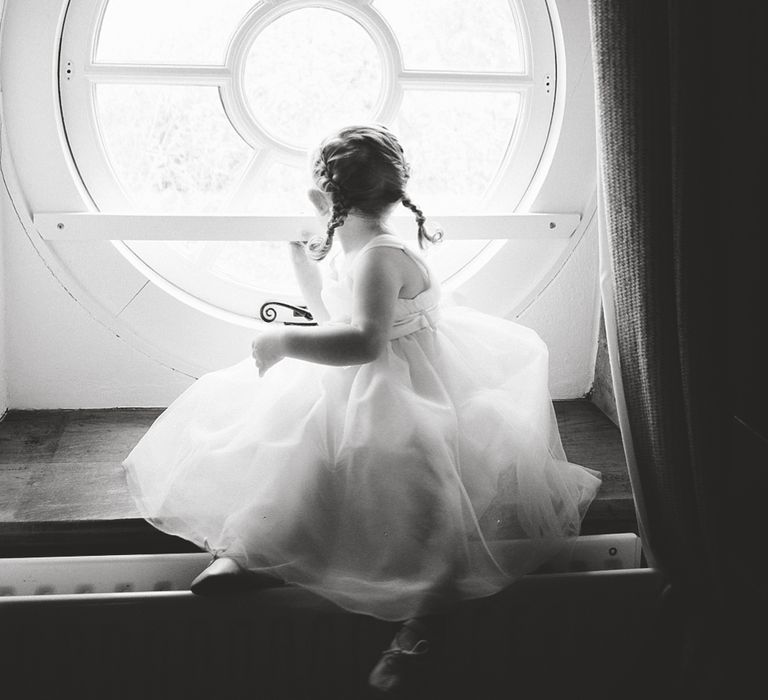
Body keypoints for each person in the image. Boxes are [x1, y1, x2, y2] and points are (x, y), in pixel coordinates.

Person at [123, 124, 601, 694]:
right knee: (291, 446)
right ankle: (249, 552)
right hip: (363, 379)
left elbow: (366, 342)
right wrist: (304, 272)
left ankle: (425, 616)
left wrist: (284, 343)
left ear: (325, 199)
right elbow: (341, 316)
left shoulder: (380, 256)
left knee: (413, 468)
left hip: (408, 384)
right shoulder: (361, 244)